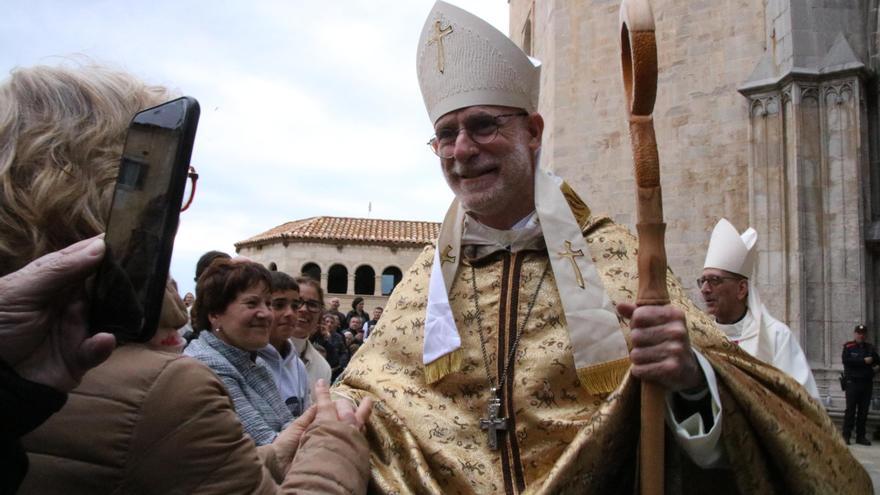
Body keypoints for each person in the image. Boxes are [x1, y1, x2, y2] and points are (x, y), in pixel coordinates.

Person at [332, 2, 869, 493]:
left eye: (482, 126)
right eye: (445, 135)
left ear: (534, 131)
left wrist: (690, 376)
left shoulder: (615, 257)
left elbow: (755, 403)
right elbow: (368, 392)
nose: (462, 150)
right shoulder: (428, 278)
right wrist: (333, 414)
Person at [6, 63, 371, 493]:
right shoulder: (169, 388)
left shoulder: (22, 351)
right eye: (174, 182)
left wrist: (280, 448)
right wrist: (336, 442)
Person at [701, 218, 819, 398]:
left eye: (714, 280)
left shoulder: (776, 337)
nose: (705, 289)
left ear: (741, 289)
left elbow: (803, 403)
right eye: (702, 281)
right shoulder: (700, 335)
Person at [185, 260, 293, 445]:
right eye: (252, 303)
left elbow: (288, 423)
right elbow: (268, 445)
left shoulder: (254, 362)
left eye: (268, 304)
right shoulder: (206, 366)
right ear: (215, 314)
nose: (266, 314)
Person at [258, 271, 310, 417]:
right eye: (279, 305)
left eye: (295, 306)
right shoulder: (250, 362)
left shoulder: (298, 365)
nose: (290, 313)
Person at [292, 276, 333, 391]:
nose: (304, 309)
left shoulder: (322, 367)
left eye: (313, 305)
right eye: (297, 302)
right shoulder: (258, 354)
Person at [842, 324, 879, 445]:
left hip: (866, 383)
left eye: (863, 334)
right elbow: (846, 361)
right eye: (858, 333)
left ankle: (860, 436)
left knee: (863, 412)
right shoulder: (849, 347)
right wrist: (863, 361)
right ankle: (846, 435)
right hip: (852, 383)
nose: (861, 336)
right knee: (850, 410)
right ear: (855, 334)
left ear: (866, 335)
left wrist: (875, 368)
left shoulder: (870, 348)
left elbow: (878, 361)